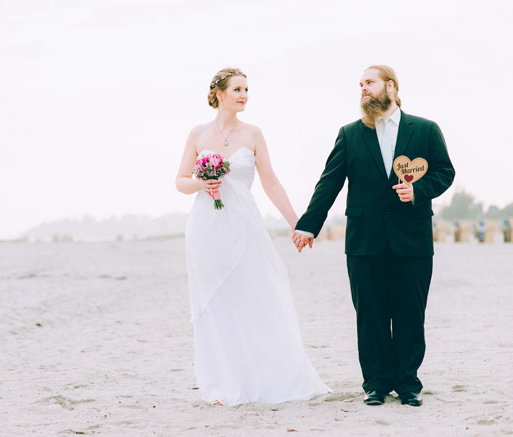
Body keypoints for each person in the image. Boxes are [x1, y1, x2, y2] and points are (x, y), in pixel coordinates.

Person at [293, 65, 455, 407]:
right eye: (360, 85)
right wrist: (309, 224)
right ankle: (376, 384)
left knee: (411, 312)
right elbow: (330, 182)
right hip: (364, 241)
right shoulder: (350, 134)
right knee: (371, 315)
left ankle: (408, 384)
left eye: (369, 82)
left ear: (391, 87)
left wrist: (419, 191)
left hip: (412, 239)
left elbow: (445, 171)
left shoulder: (425, 129)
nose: (363, 89)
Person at [175, 67, 330, 406]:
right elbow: (180, 181)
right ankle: (223, 383)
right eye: (238, 89)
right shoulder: (198, 133)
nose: (244, 95)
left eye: (247, 89)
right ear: (219, 94)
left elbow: (271, 182)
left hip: (245, 227)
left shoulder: (254, 134)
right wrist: (202, 184)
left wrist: (297, 222)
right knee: (216, 304)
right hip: (205, 229)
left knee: (255, 296)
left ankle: (262, 376)